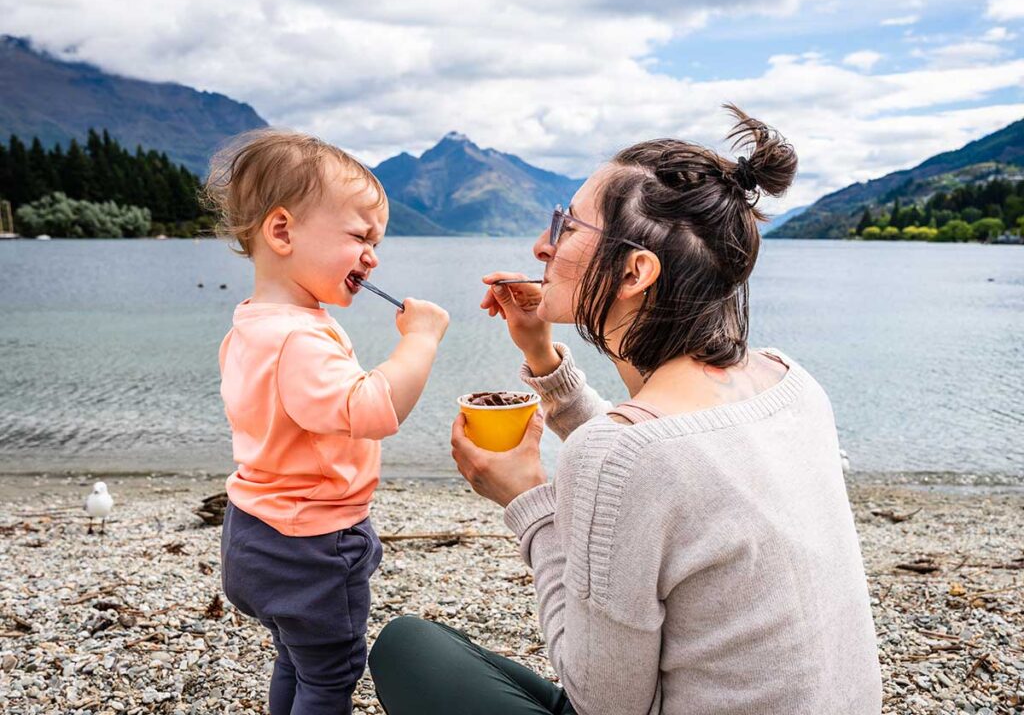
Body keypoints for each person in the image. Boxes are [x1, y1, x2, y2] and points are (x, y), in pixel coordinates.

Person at [369, 106, 882, 714]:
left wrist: (528, 500)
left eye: (567, 226)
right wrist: (541, 355)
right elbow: (666, 463)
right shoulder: (789, 379)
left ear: (635, 271)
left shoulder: (617, 458)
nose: (542, 245)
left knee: (407, 647)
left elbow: (606, 703)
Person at [206, 130, 449, 715]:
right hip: (310, 544)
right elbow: (371, 410)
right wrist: (420, 342)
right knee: (331, 672)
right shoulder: (298, 338)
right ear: (283, 231)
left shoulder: (252, 325)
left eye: (377, 242)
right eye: (361, 236)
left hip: (254, 529)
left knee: (298, 658)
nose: (373, 256)